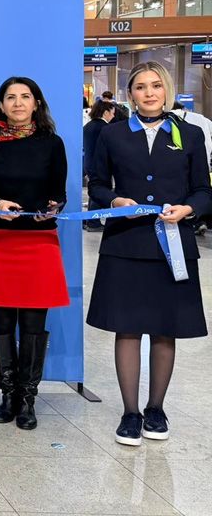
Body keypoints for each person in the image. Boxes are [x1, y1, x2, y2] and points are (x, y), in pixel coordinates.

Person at [87, 61, 210, 446]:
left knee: (164, 327)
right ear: (131, 94)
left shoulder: (190, 134)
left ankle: (156, 409)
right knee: (127, 327)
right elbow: (97, 186)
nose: (149, 93)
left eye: (156, 85)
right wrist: (116, 201)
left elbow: (203, 191)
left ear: (166, 90)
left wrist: (189, 209)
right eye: (141, 87)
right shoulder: (113, 134)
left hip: (173, 243)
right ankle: (130, 413)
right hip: (126, 243)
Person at [0, 77, 69, 430]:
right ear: (1, 105)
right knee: (1, 323)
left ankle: (28, 399)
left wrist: (54, 207)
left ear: (36, 103)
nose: (18, 103)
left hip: (39, 242)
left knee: (33, 324)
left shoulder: (53, 143)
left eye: (25, 96)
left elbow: (60, 194)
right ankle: (8, 395)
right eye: (10, 97)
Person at [171, 102, 212, 235]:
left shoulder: (169, 119)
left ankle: (195, 221)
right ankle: (200, 219)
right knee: (201, 190)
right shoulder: (201, 118)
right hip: (204, 160)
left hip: (181, 163)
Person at [83, 100, 117, 232]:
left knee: (93, 191)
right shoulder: (104, 128)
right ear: (105, 112)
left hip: (89, 163)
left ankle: (90, 220)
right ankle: (94, 223)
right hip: (100, 165)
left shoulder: (88, 126)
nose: (113, 116)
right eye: (112, 113)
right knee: (99, 192)